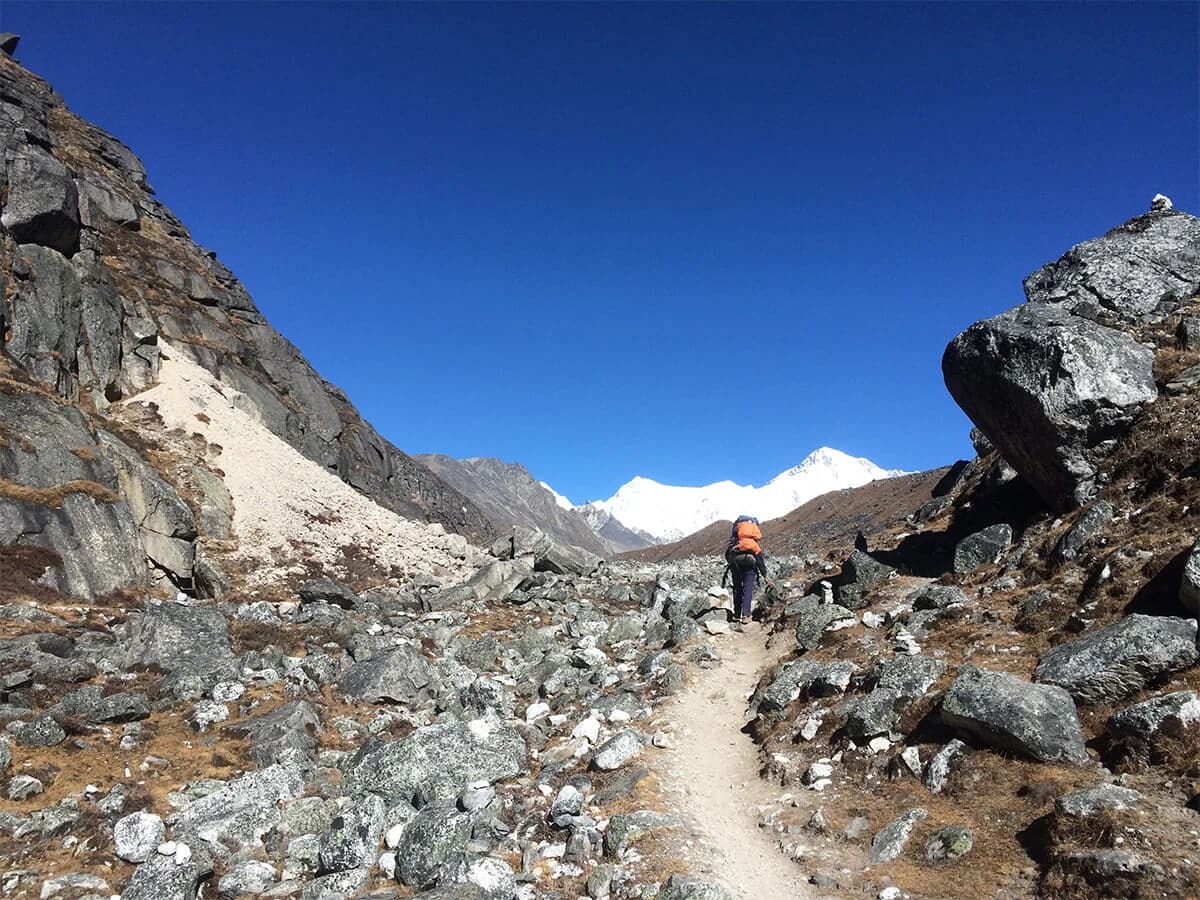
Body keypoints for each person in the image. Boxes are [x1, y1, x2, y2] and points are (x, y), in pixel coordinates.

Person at [722, 515, 772, 624]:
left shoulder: (735, 542)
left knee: (737, 589)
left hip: (736, 565)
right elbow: (760, 560)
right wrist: (765, 576)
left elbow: (727, 555)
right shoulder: (754, 545)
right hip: (750, 566)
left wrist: (732, 562)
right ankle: (746, 615)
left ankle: (736, 614)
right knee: (748, 589)